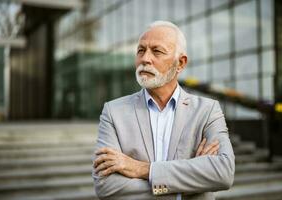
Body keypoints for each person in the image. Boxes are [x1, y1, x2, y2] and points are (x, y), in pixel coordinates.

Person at [92, 20, 235, 200]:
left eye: (157, 51)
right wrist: (191, 179)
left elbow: (223, 172)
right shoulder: (113, 112)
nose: (145, 59)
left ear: (181, 63)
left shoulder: (207, 111)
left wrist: (141, 169)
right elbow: (106, 186)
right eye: (141, 50)